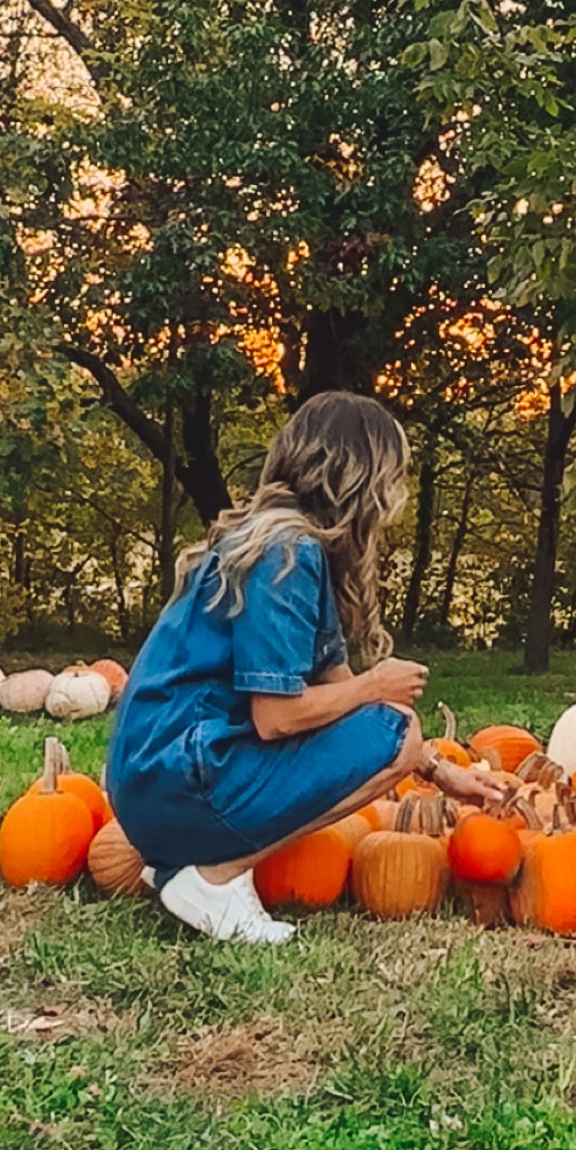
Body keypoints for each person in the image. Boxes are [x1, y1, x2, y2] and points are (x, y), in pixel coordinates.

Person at [107, 391, 504, 944]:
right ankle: (213, 878)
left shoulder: (290, 544)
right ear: (359, 475)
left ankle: (185, 864)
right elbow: (276, 717)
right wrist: (377, 685)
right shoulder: (286, 552)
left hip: (157, 781)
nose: (398, 493)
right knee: (393, 728)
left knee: (393, 727)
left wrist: (437, 770)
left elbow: (335, 694)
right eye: (395, 476)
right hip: (180, 780)